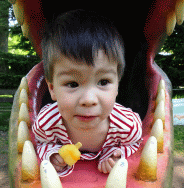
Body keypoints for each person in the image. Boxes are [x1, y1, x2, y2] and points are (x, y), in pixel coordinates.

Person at [32, 9, 142, 177]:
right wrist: (52, 153)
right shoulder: (46, 123)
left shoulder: (127, 126)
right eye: (72, 84)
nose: (89, 100)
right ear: (52, 89)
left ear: (117, 86)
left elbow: (135, 143)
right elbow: (41, 143)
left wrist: (116, 153)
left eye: (103, 82)